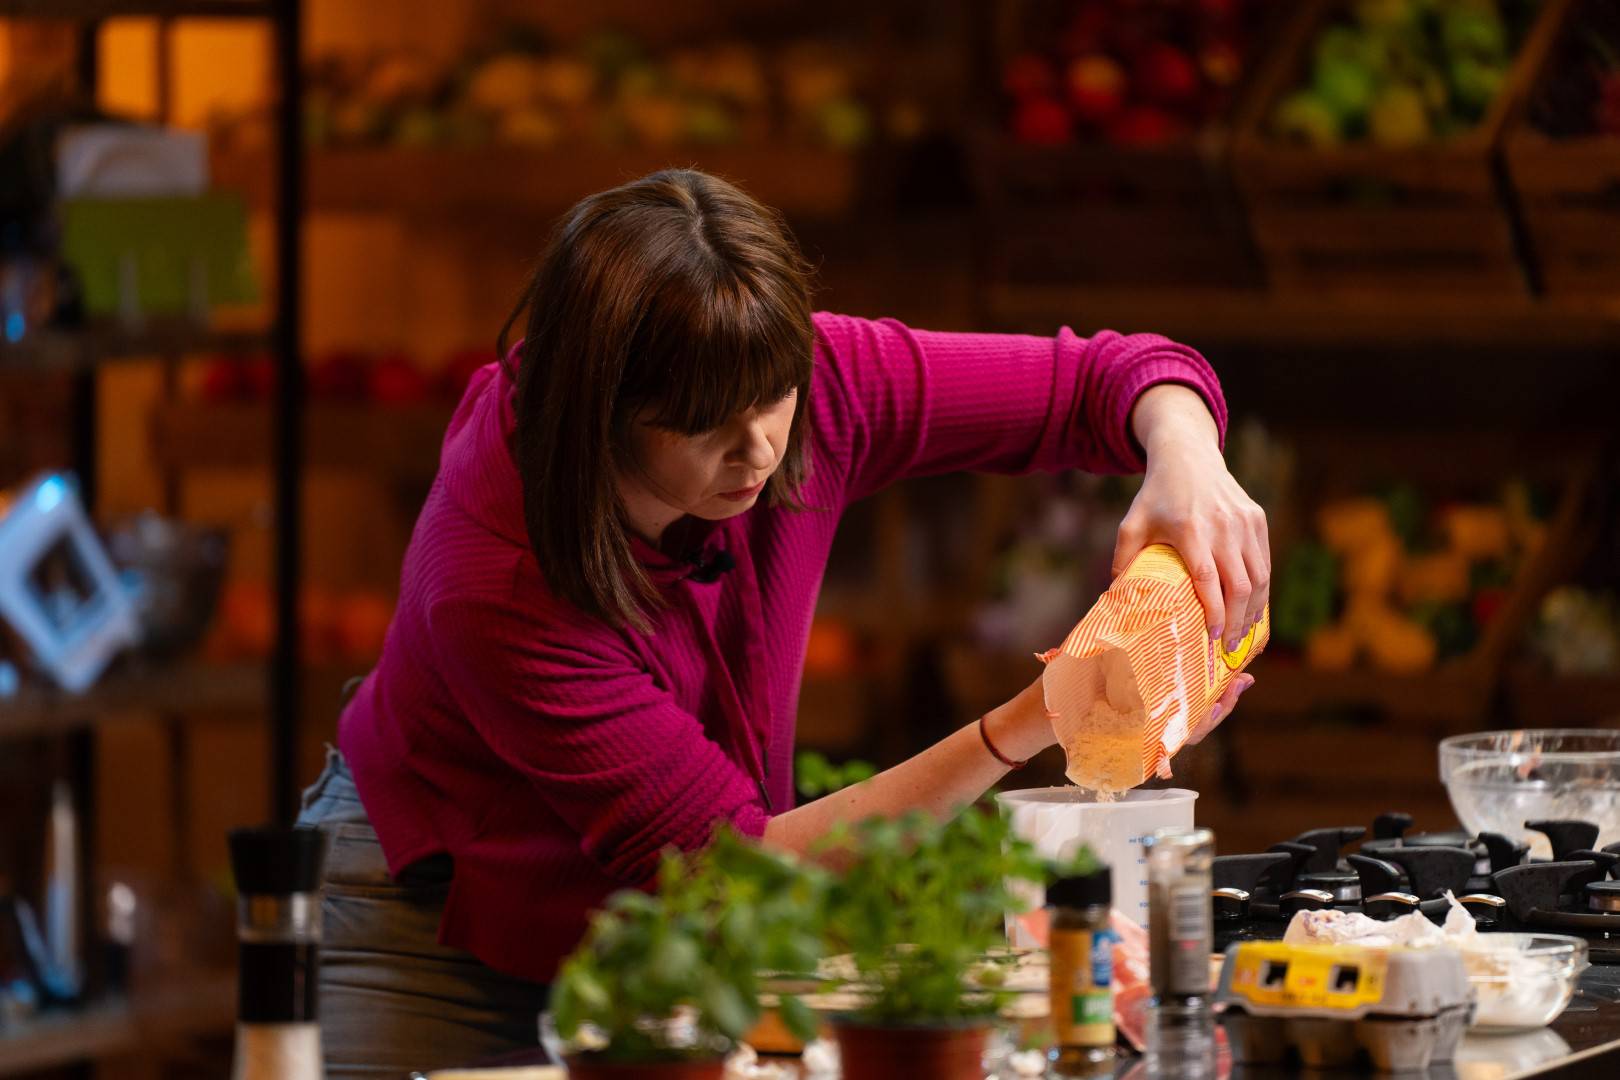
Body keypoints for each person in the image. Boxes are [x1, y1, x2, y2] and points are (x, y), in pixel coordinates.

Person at [297, 168, 1267, 1076]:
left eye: (774, 398)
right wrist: (1039, 719)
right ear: (602, 412)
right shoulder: (497, 583)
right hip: (443, 928)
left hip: (685, 915)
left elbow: (1109, 379)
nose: (759, 447)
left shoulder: (800, 382)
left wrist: (1187, 454)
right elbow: (743, 872)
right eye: (706, 423)